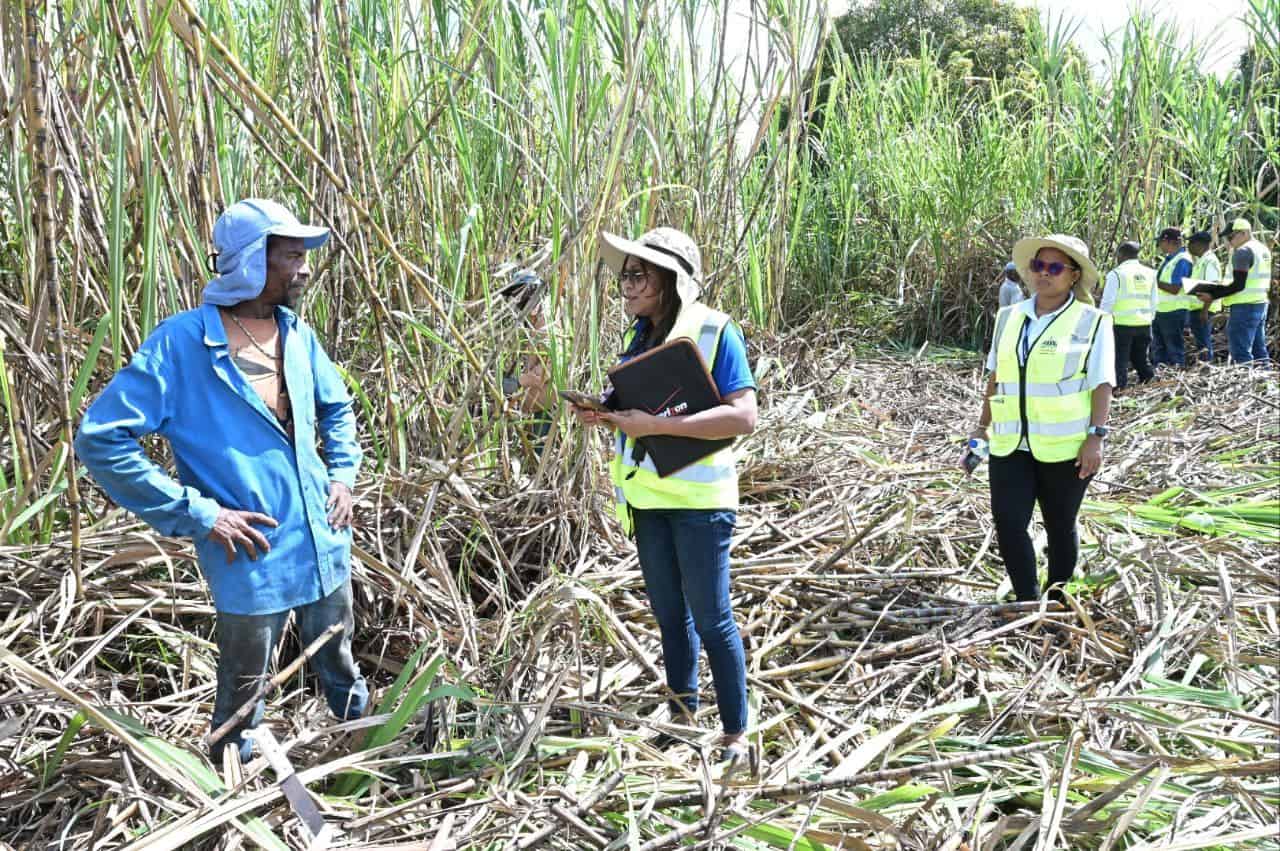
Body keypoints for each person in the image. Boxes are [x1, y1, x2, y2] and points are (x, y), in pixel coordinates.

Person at [75, 199, 367, 763]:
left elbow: (338, 409)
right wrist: (201, 513)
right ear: (252, 262)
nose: (304, 269)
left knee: (337, 653)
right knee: (243, 681)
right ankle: (232, 777)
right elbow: (101, 438)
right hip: (251, 550)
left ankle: (364, 742)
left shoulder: (297, 335)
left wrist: (343, 477)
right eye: (291, 255)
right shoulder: (181, 345)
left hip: (322, 536)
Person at [570, 227, 756, 762]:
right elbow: (642, 417)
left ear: (670, 279)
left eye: (638, 274)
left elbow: (744, 416)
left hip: (701, 505)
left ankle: (735, 734)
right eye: (624, 274)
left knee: (711, 616)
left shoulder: (717, 330)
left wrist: (653, 425)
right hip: (648, 500)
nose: (626, 284)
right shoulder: (640, 336)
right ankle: (681, 715)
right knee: (669, 615)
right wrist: (603, 416)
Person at [968, 235, 1114, 604]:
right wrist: (980, 428)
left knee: (1059, 525)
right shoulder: (1008, 318)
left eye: (1054, 268)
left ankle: (1060, 597)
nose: (1042, 275)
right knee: (1008, 521)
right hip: (1009, 441)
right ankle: (1028, 600)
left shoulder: (1093, 322)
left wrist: (1096, 437)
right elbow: (996, 376)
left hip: (1065, 447)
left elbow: (1101, 383)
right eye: (1037, 266)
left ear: (1073, 275)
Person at [1190, 218, 1273, 364]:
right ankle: (1264, 383)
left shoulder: (1243, 252)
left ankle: (1248, 384)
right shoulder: (1262, 249)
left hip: (1244, 307)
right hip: (1259, 304)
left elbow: (1238, 285)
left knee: (1241, 352)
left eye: (1231, 237)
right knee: (1259, 350)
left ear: (1244, 233)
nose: (1229, 241)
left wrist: (1212, 295)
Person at [1098, 241, 1156, 390]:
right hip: (1144, 323)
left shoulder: (1116, 274)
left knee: (1119, 360)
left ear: (1121, 255)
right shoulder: (1150, 273)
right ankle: (1149, 381)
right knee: (1141, 358)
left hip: (1121, 325)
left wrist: (1101, 323)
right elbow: (1154, 300)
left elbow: (1107, 303)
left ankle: (1119, 389)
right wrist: (1149, 319)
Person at [1150, 227, 1194, 368]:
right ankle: (1162, 378)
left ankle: (1176, 376)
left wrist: (1153, 282)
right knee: (1160, 348)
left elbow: (1175, 288)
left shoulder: (1182, 260)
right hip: (1162, 311)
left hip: (1174, 312)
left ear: (1167, 241)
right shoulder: (1171, 259)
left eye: (1160, 242)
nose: (1159, 246)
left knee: (1174, 349)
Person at [1186, 231, 1220, 363]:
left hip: (1203, 309)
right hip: (1197, 308)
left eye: (1191, 243)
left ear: (1199, 244)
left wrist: (1205, 310)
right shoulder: (1202, 261)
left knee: (1204, 343)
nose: (1188, 246)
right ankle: (1205, 366)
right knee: (1201, 343)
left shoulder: (1210, 261)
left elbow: (1212, 287)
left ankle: (1207, 368)